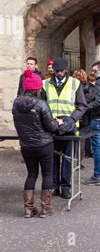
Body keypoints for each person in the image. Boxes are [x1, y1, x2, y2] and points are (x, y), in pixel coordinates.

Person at [12, 68, 63, 217]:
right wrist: (58, 122)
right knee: (47, 175)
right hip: (44, 144)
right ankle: (45, 209)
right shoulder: (41, 104)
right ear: (37, 88)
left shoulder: (16, 103)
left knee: (31, 174)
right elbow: (51, 127)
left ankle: (28, 209)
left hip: (26, 145)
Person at [41, 57, 87, 199]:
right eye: (57, 71)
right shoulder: (45, 84)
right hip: (52, 125)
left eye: (61, 71)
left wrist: (72, 120)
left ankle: (66, 187)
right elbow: (42, 105)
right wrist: (48, 120)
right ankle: (54, 185)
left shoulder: (75, 83)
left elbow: (82, 105)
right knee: (53, 158)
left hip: (69, 126)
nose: (59, 73)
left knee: (67, 159)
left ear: (66, 70)